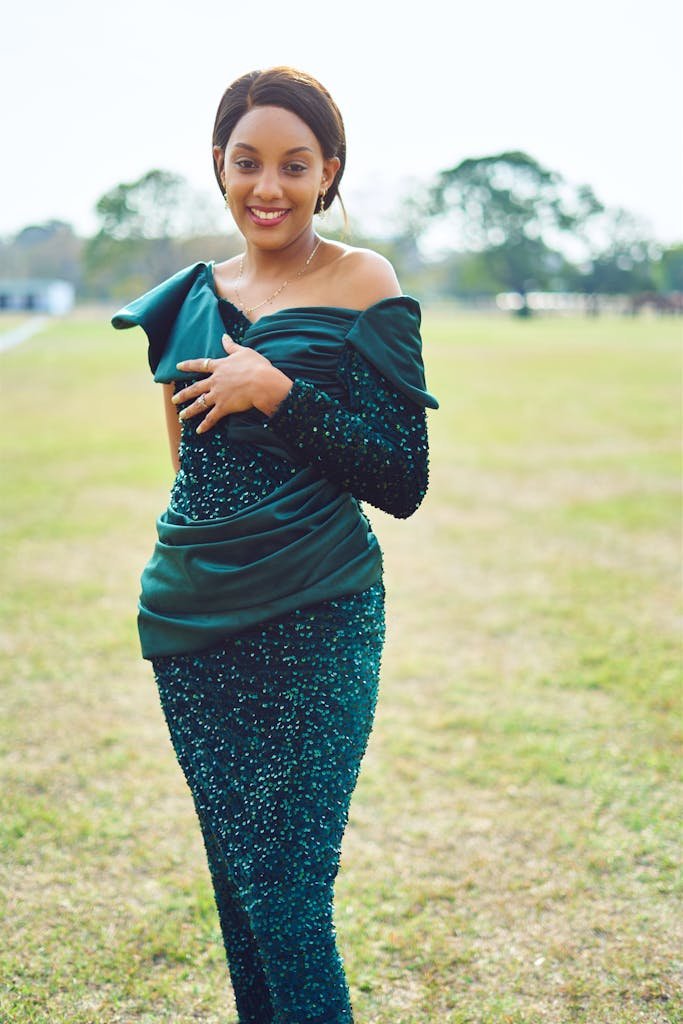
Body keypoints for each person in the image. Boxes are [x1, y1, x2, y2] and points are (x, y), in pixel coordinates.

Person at [112, 66, 438, 1024]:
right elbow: (187, 461)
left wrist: (281, 394)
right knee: (241, 896)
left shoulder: (363, 280)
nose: (269, 186)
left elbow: (403, 479)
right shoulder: (185, 301)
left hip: (316, 612)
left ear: (327, 171)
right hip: (191, 620)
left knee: (291, 903)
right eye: (247, 162)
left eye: (294, 166)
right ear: (219, 165)